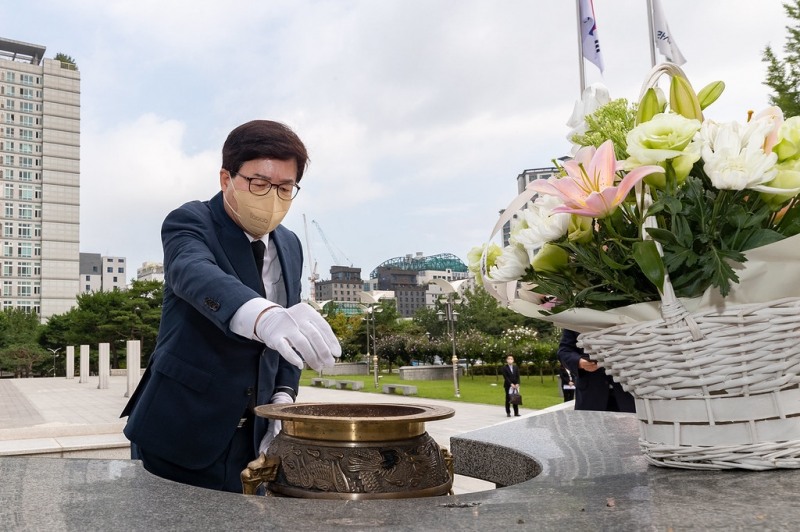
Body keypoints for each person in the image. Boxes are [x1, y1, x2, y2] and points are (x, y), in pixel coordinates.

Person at [121, 120, 341, 493]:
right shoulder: (192, 221)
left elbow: (288, 333)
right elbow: (194, 272)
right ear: (226, 179)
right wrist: (265, 316)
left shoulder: (290, 244)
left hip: (253, 439)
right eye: (258, 183)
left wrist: (284, 399)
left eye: (285, 187)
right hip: (181, 430)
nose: (272, 196)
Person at [557, 329, 634, 412]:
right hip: (590, 397)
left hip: (629, 393)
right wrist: (579, 362)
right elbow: (564, 352)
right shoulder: (575, 319)